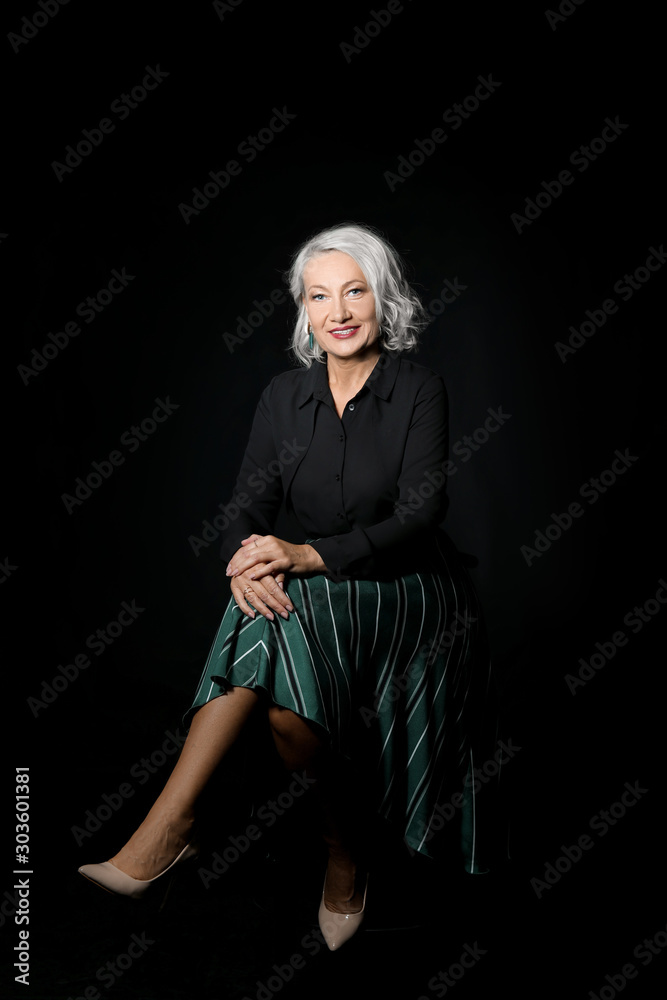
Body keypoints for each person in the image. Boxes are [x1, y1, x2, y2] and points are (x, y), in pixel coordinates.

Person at [79, 222, 496, 950]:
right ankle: (345, 854)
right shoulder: (282, 395)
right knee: (280, 696)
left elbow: (420, 513)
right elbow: (247, 504)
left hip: (412, 595)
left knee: (280, 604)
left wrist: (302, 556)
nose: (337, 310)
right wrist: (243, 559)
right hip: (309, 598)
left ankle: (170, 829)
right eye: (318, 295)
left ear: (382, 299)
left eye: (354, 291)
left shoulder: (416, 387)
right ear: (303, 310)